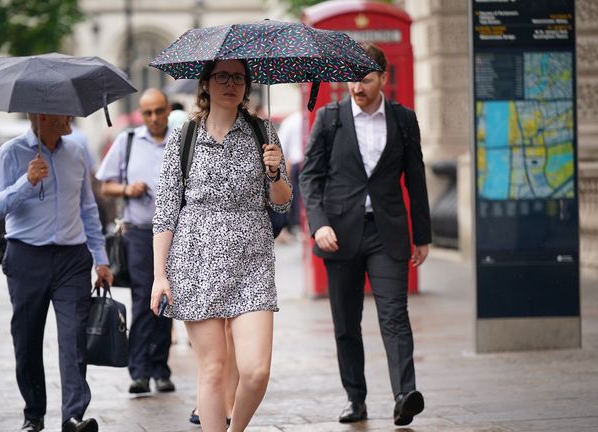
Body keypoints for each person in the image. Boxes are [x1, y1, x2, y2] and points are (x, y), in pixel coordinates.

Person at [150, 59, 292, 432]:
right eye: (222, 77)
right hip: (196, 261)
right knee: (212, 369)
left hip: (252, 262)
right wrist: (159, 276)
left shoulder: (264, 132)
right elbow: (166, 211)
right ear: (206, 83)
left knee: (257, 370)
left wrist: (274, 172)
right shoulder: (184, 137)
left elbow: (282, 202)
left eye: (239, 78)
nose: (231, 84)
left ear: (247, 86)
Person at [299, 43, 431, 426]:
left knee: (395, 315)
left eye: (366, 79)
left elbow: (416, 178)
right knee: (346, 323)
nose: (357, 86)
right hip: (339, 234)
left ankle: (405, 394)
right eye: (353, 78)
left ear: (383, 79)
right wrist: (318, 223)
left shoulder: (403, 120)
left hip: (387, 233)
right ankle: (355, 399)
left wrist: (421, 234)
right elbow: (311, 177)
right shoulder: (329, 118)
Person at [0, 113, 112, 432]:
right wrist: (26, 182)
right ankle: (34, 414)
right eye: (62, 110)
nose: (70, 116)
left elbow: (88, 209)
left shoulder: (77, 151)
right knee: (27, 340)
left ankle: (73, 415)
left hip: (72, 257)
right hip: (26, 256)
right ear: (40, 115)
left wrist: (101, 258)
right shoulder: (10, 153)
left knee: (73, 337)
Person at [96, 88, 175, 395]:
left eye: (159, 111)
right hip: (140, 233)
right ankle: (139, 371)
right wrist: (127, 190)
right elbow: (106, 186)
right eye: (148, 112)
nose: (154, 118)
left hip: (175, 233)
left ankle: (161, 368)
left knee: (169, 302)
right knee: (144, 300)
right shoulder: (128, 141)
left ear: (168, 110)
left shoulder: (181, 142)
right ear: (141, 115)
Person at [276, 110, 304, 238]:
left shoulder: (290, 120)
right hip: (305, 162)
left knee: (296, 196)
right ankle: (301, 225)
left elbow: (281, 146)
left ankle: (298, 225)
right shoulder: (301, 119)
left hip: (295, 163)